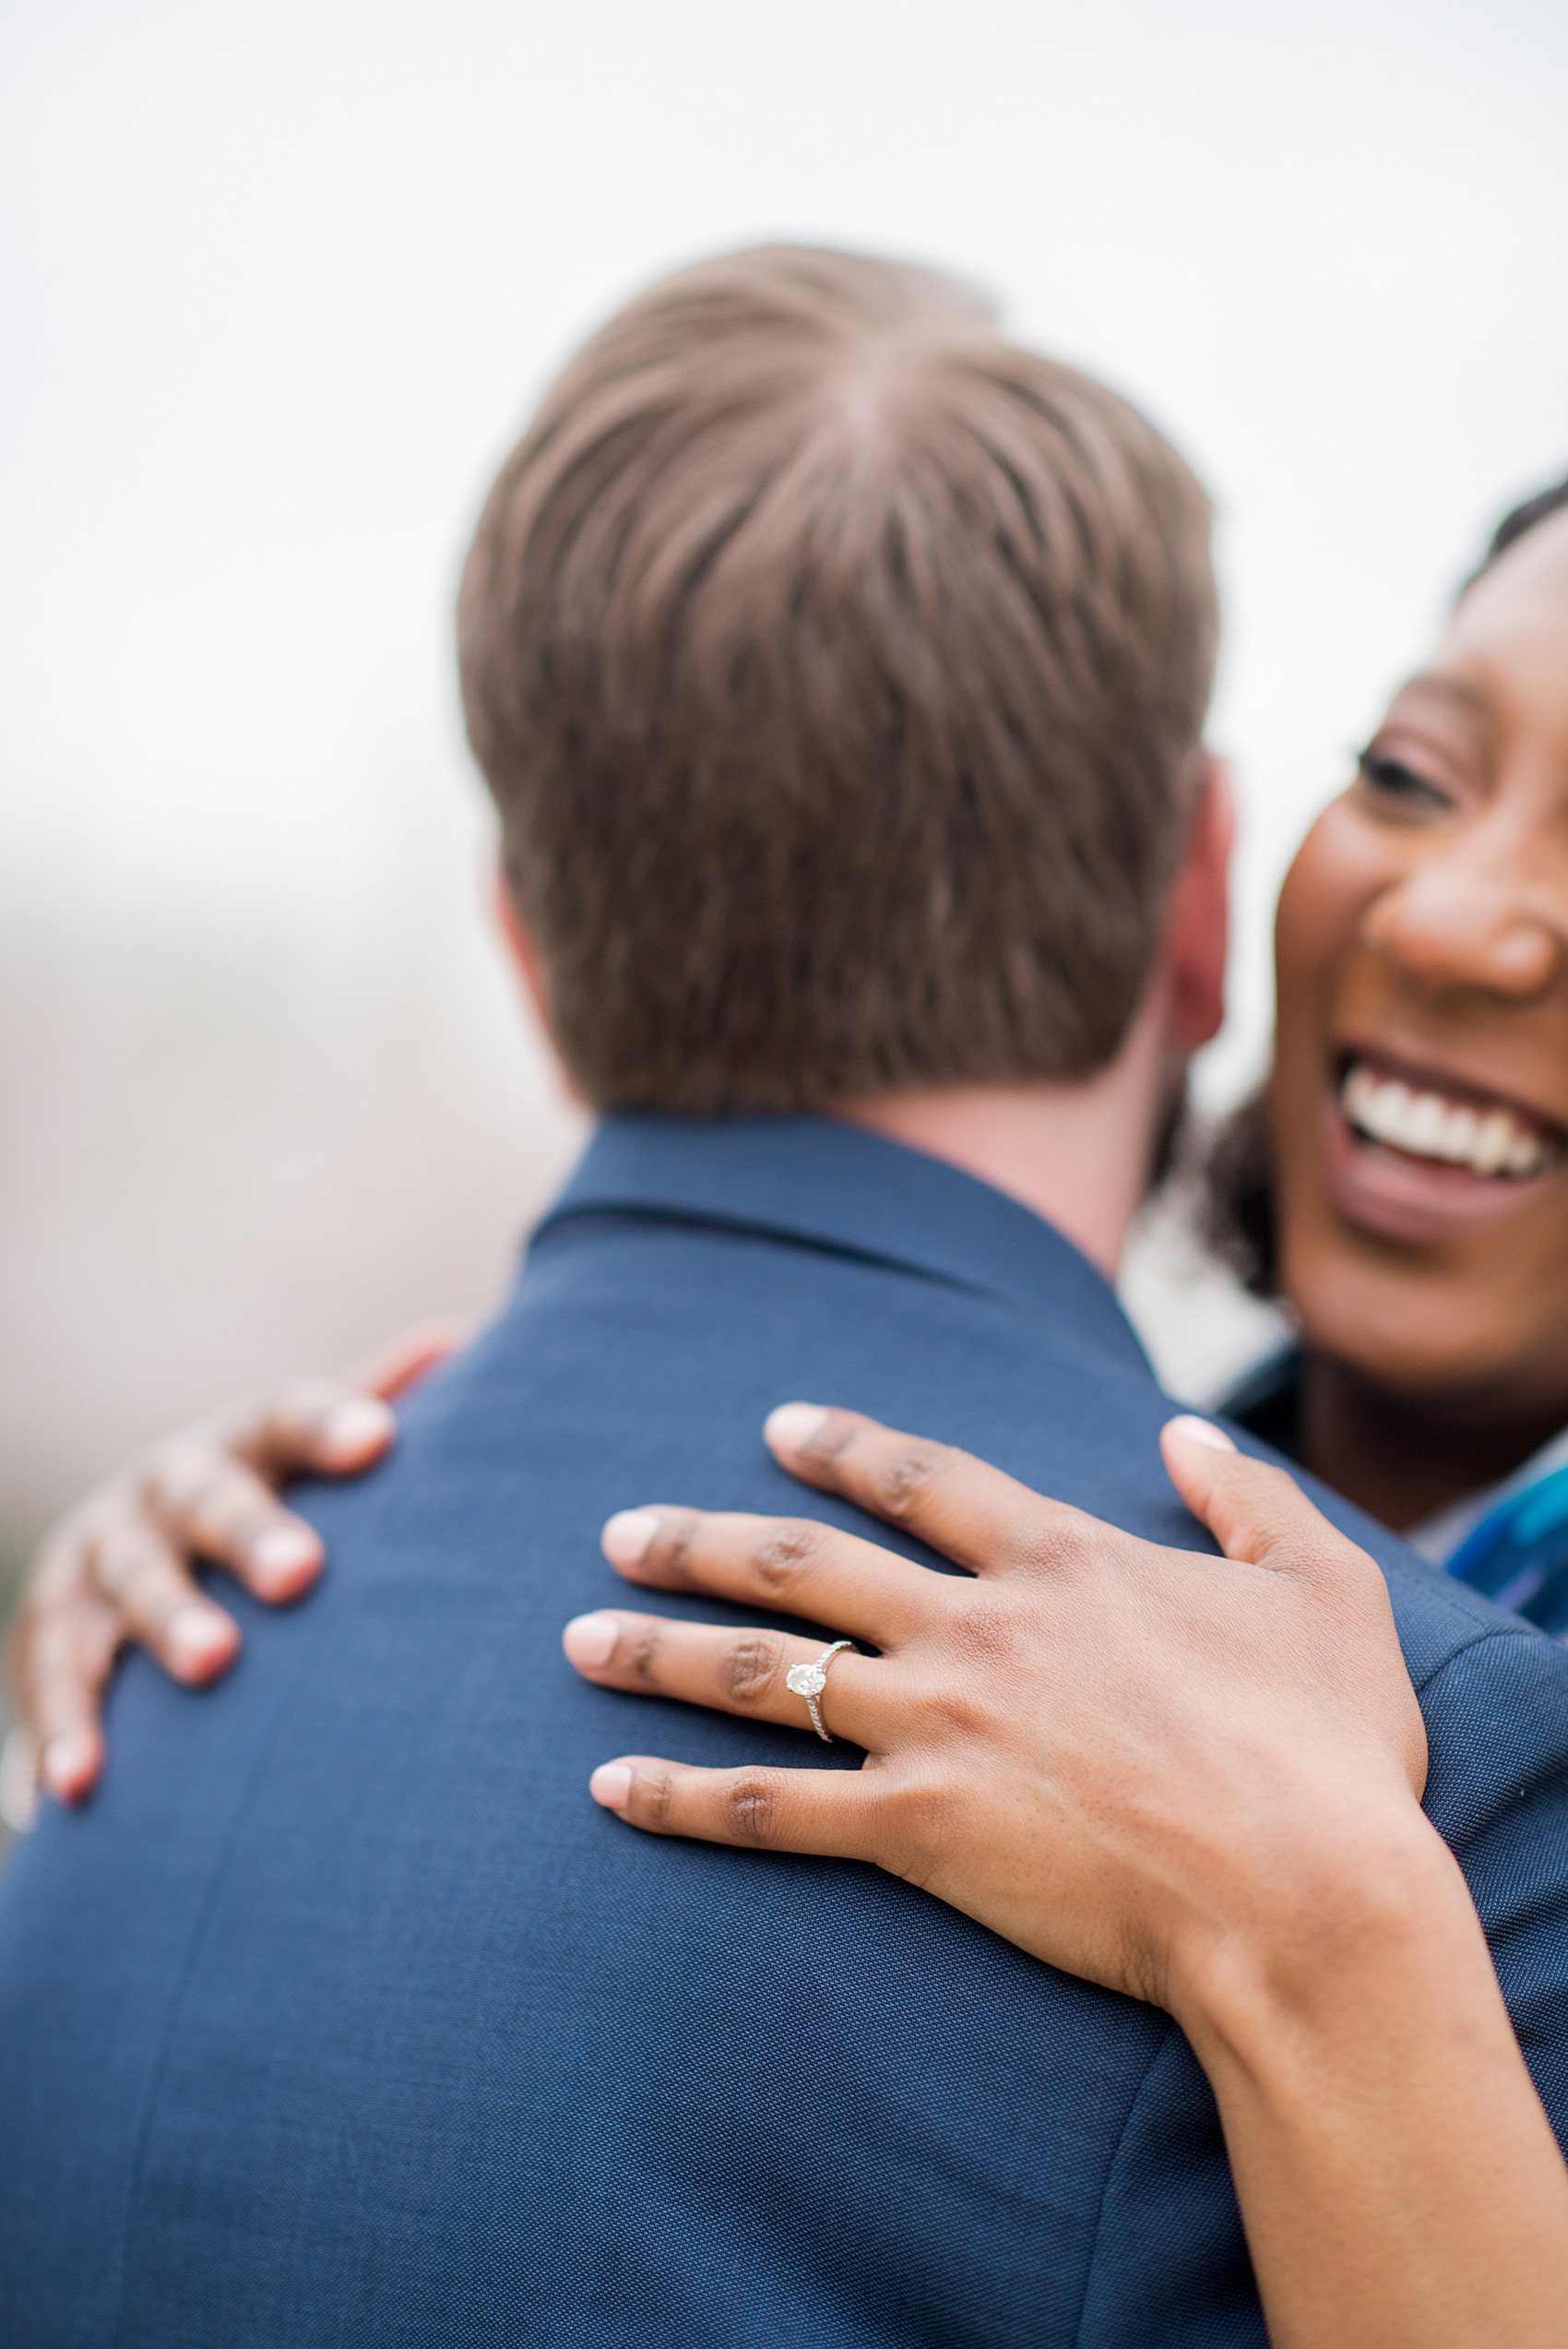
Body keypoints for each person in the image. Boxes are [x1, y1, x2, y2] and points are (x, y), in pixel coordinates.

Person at [4, 244, 1568, 2348]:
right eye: (1404, 773)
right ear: (1207, 898)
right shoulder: (1425, 1729)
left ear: (528, 946)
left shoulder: (155, 1717)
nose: (1469, 921)